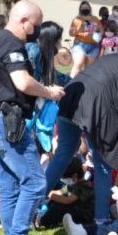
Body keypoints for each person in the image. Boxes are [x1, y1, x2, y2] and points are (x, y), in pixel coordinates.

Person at [0, 0, 64, 235]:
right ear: (24, 20)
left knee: (12, 185)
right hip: (6, 123)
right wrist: (49, 92)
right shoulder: (12, 43)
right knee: (35, 182)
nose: (37, 32)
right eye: (36, 26)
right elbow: (23, 82)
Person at [43, 52, 118, 235]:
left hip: (70, 97)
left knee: (62, 155)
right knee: (102, 164)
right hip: (92, 107)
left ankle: (34, 207)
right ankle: (101, 221)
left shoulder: (117, 59)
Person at [25, 21, 70, 154]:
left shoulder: (42, 56)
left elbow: (56, 77)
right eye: (58, 42)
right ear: (50, 41)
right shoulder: (34, 51)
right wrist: (49, 92)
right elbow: (29, 83)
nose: (60, 46)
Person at [37, 157, 95, 229]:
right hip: (76, 210)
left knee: (59, 207)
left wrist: (50, 194)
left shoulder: (84, 186)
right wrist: (46, 193)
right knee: (53, 200)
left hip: (85, 215)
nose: (64, 180)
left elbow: (67, 200)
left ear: (74, 176)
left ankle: (39, 221)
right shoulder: (72, 185)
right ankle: (40, 213)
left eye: (65, 178)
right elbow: (59, 192)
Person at [69, 0, 100, 77]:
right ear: (80, 9)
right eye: (83, 8)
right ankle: (70, 83)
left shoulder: (95, 19)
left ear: (89, 8)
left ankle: (86, 85)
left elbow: (101, 30)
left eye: (86, 7)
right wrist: (79, 30)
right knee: (78, 64)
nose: (85, 9)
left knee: (89, 68)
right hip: (80, 44)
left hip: (93, 45)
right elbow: (70, 33)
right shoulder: (76, 20)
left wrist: (97, 32)